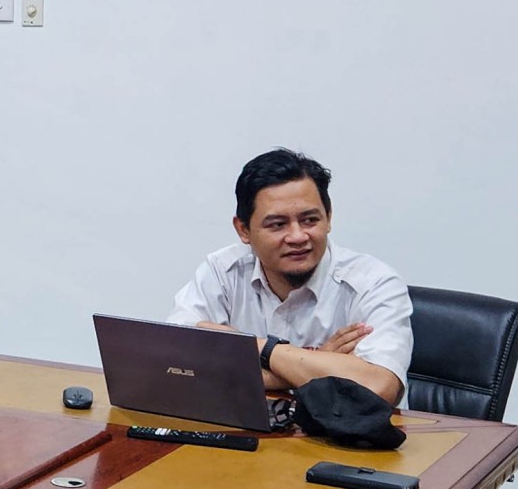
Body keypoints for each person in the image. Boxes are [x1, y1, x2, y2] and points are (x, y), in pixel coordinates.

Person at [171, 147, 412, 405]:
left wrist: (257, 347)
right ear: (243, 230)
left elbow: (379, 388)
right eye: (277, 224)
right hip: (251, 426)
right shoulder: (222, 272)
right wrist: (317, 363)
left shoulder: (374, 283)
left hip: (348, 431)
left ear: (328, 218)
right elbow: (175, 368)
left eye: (310, 220)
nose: (297, 237)